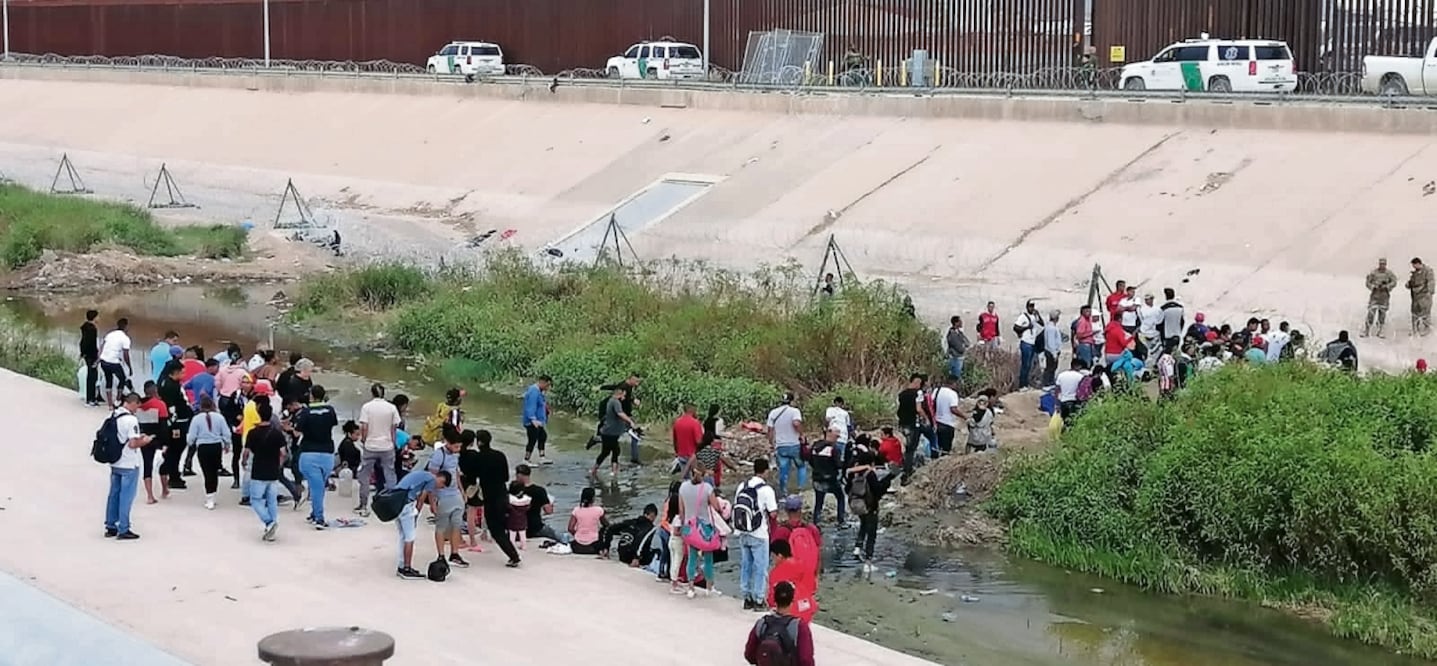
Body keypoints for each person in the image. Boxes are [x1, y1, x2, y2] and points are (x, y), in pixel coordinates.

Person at [104, 392, 151, 541]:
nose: (138, 408)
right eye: (138, 405)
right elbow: (133, 444)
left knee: (114, 494)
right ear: (133, 402)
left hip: (115, 461)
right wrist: (145, 440)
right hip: (129, 463)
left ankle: (111, 525)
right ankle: (124, 528)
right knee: (126, 496)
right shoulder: (131, 420)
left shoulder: (115, 415)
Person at [734, 458, 778, 611]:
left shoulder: (742, 486)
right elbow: (773, 514)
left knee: (746, 565)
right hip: (759, 533)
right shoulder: (767, 490)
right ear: (765, 471)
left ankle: (746, 598)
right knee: (760, 567)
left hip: (743, 531)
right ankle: (759, 600)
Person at [473, 431, 521, 567]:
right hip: (502, 494)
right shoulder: (500, 455)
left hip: (490, 497)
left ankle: (513, 555)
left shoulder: (479, 457)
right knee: (501, 526)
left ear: (479, 442)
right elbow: (506, 477)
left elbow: (474, 474)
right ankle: (513, 553)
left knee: (496, 530)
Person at [678, 462, 725, 599]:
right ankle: (709, 587)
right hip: (705, 528)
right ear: (703, 474)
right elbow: (716, 506)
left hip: (689, 526)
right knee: (708, 558)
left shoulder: (683, 487)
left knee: (692, 558)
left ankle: (691, 588)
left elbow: (681, 510)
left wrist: (683, 525)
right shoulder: (707, 488)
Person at [243, 400, 287, 542]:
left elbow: (246, 452)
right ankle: (272, 527)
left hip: (259, 469)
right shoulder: (277, 434)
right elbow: (283, 453)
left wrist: (243, 461)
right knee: (271, 500)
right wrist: (279, 464)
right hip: (273, 469)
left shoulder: (252, 433)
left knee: (256, 499)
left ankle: (269, 522)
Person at [295, 385, 339, 529]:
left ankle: (319, 518)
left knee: (316, 487)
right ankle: (315, 513)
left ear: (311, 396)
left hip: (309, 453)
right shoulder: (330, 410)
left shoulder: (306, 412)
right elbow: (332, 425)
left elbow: (297, 432)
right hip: (327, 453)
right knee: (318, 486)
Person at [355, 383, 401, 517]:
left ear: (372, 393)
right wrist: (392, 443)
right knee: (390, 474)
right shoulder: (391, 408)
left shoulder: (367, 407)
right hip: (387, 446)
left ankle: (363, 505)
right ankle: (392, 504)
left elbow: (364, 427)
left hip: (371, 445)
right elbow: (394, 429)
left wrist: (364, 440)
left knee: (365, 475)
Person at [744, 580, 815, 666]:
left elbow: (749, 655)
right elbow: (806, 660)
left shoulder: (762, 624)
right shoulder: (799, 627)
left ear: (775, 600)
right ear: (792, 601)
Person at [847, 450, 894, 566]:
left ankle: (857, 549)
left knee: (863, 526)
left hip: (858, 505)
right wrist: (888, 479)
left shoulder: (854, 473)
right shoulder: (870, 474)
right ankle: (868, 561)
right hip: (870, 506)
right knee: (871, 534)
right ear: (872, 462)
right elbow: (877, 490)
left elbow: (848, 488)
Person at [389, 468, 436, 579]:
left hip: (396, 503)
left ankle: (401, 565)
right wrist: (416, 515)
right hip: (406, 505)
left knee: (403, 536)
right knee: (410, 537)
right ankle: (407, 568)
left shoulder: (419, 474)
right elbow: (421, 499)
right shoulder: (432, 480)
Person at [187, 395, 230, 510]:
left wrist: (190, 443)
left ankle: (209, 497)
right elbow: (226, 432)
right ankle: (213, 495)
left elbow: (191, 436)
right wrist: (227, 444)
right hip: (216, 446)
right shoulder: (220, 417)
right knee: (214, 471)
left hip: (203, 447)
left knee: (207, 472)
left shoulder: (196, 419)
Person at [156, 362, 192, 493]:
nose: (184, 375)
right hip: (177, 423)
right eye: (181, 372)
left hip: (178, 420)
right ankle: (172, 475)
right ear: (174, 372)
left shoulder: (166, 382)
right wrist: (174, 423)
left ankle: (173, 473)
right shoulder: (171, 386)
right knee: (176, 448)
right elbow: (172, 408)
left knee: (176, 448)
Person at [765, 540, 818, 624]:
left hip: (790, 613)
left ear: (780, 556)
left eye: (773, 556)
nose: (772, 560)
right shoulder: (803, 564)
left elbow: (773, 597)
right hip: (807, 607)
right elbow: (813, 587)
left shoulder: (776, 573)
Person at [135, 382, 169, 505]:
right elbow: (164, 425)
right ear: (155, 391)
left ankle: (150, 496)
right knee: (162, 464)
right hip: (158, 439)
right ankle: (165, 489)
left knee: (147, 465)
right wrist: (166, 442)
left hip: (144, 439)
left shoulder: (139, 406)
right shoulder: (160, 405)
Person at [765, 393, 805, 495]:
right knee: (801, 466)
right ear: (791, 401)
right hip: (794, 444)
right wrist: (801, 434)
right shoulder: (795, 411)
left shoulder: (773, 413)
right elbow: (796, 423)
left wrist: (771, 443)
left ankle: (784, 491)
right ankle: (801, 489)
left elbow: (770, 430)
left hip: (781, 446)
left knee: (783, 469)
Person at [592, 385, 634, 478]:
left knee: (612, 451)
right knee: (609, 452)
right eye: (624, 395)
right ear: (621, 393)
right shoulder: (615, 402)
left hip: (610, 432)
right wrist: (630, 421)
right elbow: (620, 414)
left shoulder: (612, 401)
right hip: (610, 432)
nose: (624, 397)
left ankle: (606, 471)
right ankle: (607, 472)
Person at [456, 429, 486, 552]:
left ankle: (462, 538)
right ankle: (474, 540)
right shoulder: (474, 455)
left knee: (463, 513)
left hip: (461, 483)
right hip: (473, 485)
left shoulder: (458, 454)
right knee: (473, 513)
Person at [808, 430, 845, 529]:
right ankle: (841, 521)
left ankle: (816, 522)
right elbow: (838, 464)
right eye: (836, 437)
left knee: (819, 501)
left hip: (817, 477)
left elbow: (810, 460)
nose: (837, 439)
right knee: (840, 497)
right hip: (830, 479)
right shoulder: (834, 449)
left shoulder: (815, 446)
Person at [432, 470, 468, 569]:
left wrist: (462, 492)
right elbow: (432, 481)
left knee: (456, 526)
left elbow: (457, 477)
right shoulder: (438, 457)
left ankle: (454, 554)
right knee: (441, 527)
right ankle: (441, 555)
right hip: (444, 498)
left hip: (456, 497)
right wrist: (433, 502)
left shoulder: (454, 459)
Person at [515, 464, 560, 543]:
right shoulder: (539, 490)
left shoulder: (513, 490)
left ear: (519, 475)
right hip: (535, 527)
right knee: (558, 536)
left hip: (517, 528)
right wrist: (551, 503)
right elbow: (549, 511)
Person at [896, 374, 926, 485]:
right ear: (917, 382)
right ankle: (907, 474)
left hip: (903, 424)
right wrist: (926, 418)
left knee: (906, 447)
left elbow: (898, 410)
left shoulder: (901, 394)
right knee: (911, 449)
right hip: (913, 424)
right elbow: (919, 409)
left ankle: (903, 469)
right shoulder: (918, 393)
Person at [98, 318, 133, 409]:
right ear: (126, 327)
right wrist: (130, 367)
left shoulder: (110, 334)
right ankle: (117, 401)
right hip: (113, 362)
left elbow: (102, 346)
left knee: (108, 380)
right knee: (122, 379)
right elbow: (126, 355)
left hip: (104, 361)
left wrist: (98, 359)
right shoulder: (125, 338)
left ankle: (110, 405)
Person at [568, 487, 610, 556]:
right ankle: (605, 551)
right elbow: (606, 524)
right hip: (593, 546)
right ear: (593, 498)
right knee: (605, 530)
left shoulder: (576, 510)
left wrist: (577, 535)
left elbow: (570, 528)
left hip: (577, 547)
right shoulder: (598, 510)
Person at [521, 377, 550, 464]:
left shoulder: (539, 392)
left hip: (538, 421)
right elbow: (530, 406)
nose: (548, 388)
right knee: (532, 439)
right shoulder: (534, 391)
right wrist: (533, 419)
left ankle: (542, 457)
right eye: (547, 385)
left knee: (542, 436)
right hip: (532, 421)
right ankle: (526, 459)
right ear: (542, 382)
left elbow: (540, 404)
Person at [1014, 300, 1042, 390]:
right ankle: (1022, 385)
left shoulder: (1034, 316)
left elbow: (1042, 323)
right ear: (1027, 307)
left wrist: (1038, 314)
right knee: (1025, 365)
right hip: (1026, 342)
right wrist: (1026, 327)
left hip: (1032, 343)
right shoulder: (1023, 317)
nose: (1032, 308)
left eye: (1033, 306)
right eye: (1030, 306)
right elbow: (1016, 327)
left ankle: (1026, 383)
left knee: (1029, 365)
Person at [932, 376, 962, 456]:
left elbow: (931, 404)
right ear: (954, 383)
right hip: (948, 424)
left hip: (937, 422)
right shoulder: (953, 394)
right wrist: (964, 416)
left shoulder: (937, 390)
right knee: (946, 449)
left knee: (937, 447)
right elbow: (953, 409)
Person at [672, 402, 705, 473]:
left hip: (681, 456)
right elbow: (698, 441)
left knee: (685, 479)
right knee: (696, 478)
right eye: (696, 410)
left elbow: (675, 441)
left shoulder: (677, 422)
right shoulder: (695, 423)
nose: (697, 412)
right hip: (692, 457)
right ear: (692, 410)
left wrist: (677, 453)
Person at [80, 310, 101, 406]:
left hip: (86, 354)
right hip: (91, 355)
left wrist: (82, 353)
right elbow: (91, 344)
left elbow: (83, 342)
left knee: (92, 375)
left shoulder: (85, 327)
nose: (99, 319)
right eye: (97, 317)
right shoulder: (92, 329)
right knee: (92, 376)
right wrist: (96, 357)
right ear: (94, 317)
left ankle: (91, 398)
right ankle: (90, 399)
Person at [1409, 257, 1435, 336]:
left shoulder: (1428, 271)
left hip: (1424, 295)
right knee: (1415, 312)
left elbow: (1431, 282)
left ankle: (1426, 328)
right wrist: (1409, 284)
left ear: (1418, 264)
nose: (1414, 267)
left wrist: (1429, 292)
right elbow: (1411, 282)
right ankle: (1415, 329)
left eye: (1414, 265)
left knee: (1425, 312)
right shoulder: (1414, 273)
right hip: (1416, 296)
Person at [1055, 359, 1086, 423]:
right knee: (1073, 422)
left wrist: (1057, 404)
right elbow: (1082, 391)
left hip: (1063, 401)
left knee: (1064, 422)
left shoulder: (1061, 375)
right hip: (1074, 401)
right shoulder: (1080, 376)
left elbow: (1057, 391)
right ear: (1078, 366)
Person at [1041, 309, 1064, 389]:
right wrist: (1054, 353)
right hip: (1051, 351)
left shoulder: (1051, 327)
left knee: (1052, 368)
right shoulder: (1051, 328)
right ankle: (1048, 383)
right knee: (1050, 368)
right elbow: (1051, 342)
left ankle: (1050, 382)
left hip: (1052, 351)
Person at [507, 481, 531, 551]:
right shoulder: (526, 501)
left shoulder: (510, 501)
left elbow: (507, 508)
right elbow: (528, 507)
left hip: (512, 520)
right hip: (523, 520)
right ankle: (524, 546)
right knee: (523, 534)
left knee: (512, 534)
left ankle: (512, 547)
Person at [945, 315, 970, 382]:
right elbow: (959, 348)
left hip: (959, 358)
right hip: (955, 358)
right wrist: (963, 346)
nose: (962, 323)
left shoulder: (959, 332)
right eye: (960, 321)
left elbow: (967, 342)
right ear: (956, 323)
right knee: (956, 377)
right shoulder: (952, 334)